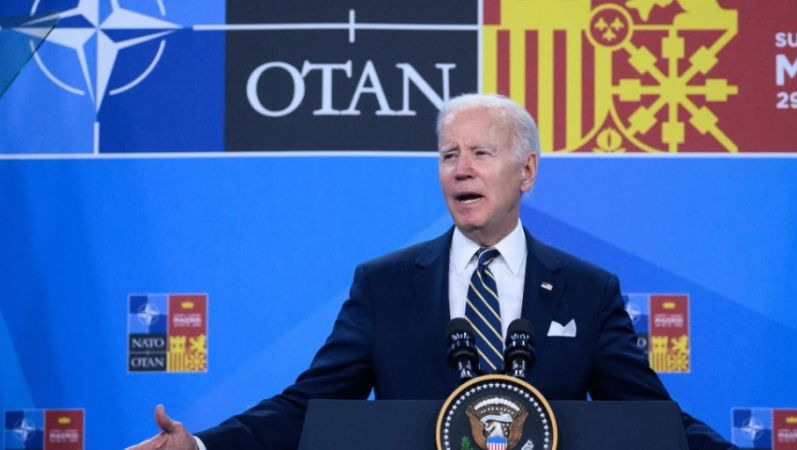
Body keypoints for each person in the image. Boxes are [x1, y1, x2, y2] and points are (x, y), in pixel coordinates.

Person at [127, 93, 735, 450]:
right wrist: (203, 444)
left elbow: (652, 418)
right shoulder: (385, 284)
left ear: (526, 172)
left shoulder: (586, 289)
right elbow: (306, 406)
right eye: (448, 155)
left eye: (480, 154)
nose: (460, 170)